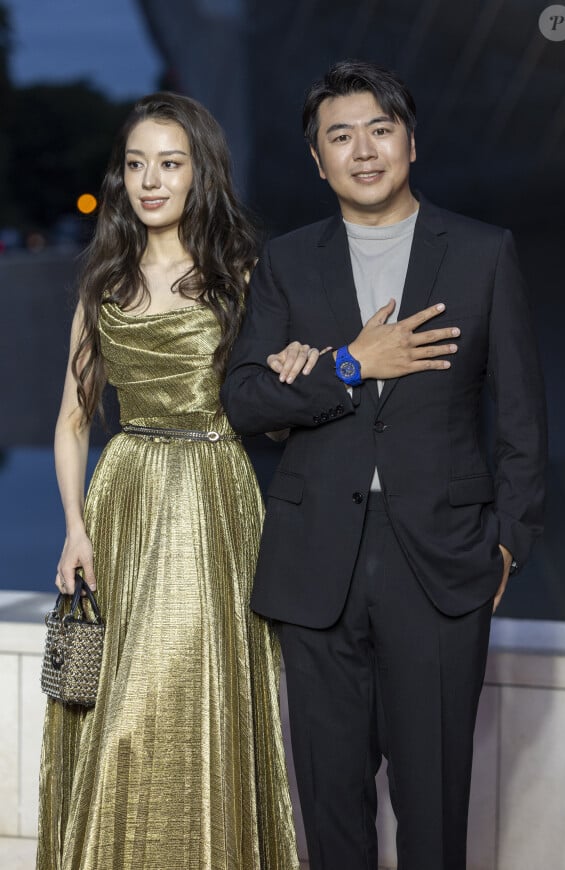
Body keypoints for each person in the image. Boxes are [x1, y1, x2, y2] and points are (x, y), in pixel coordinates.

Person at [221, 60, 547, 870]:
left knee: (435, 801)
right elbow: (246, 402)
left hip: (439, 562)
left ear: (410, 141)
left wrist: (509, 540)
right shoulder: (288, 263)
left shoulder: (480, 253)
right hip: (313, 565)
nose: (363, 150)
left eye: (379, 129)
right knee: (330, 801)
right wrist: (349, 364)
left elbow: (521, 418)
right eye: (341, 136)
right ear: (316, 158)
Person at [36, 92, 300, 870]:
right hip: (125, 498)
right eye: (136, 164)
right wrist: (74, 528)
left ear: (199, 173)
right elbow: (72, 420)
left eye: (171, 163)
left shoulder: (241, 274)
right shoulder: (102, 281)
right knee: (121, 704)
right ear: (121, 178)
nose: (151, 179)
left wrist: (294, 371)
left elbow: (273, 418)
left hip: (215, 495)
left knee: (196, 691)